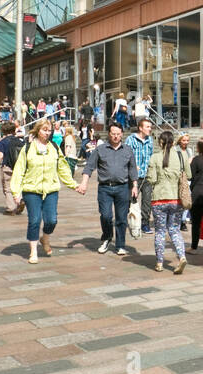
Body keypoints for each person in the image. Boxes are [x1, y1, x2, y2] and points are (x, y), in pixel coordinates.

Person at [10, 118, 78, 263]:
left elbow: (62, 167)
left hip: (51, 189)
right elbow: (19, 170)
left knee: (51, 220)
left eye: (49, 130)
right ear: (37, 130)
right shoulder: (27, 148)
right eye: (44, 130)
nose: (47, 133)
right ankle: (33, 252)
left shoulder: (54, 147)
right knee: (34, 220)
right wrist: (16, 192)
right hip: (31, 190)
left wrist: (73, 184)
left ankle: (45, 238)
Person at [79, 120, 139, 257]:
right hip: (105, 188)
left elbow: (132, 170)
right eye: (113, 134)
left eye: (118, 134)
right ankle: (107, 237)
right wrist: (84, 183)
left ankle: (120, 245)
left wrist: (134, 186)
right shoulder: (100, 149)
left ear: (122, 134)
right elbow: (89, 167)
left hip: (122, 188)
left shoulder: (128, 150)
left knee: (121, 218)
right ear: (109, 134)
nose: (116, 136)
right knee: (106, 216)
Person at [146, 130, 190, 274]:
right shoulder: (181, 155)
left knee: (160, 231)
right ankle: (182, 256)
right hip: (176, 199)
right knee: (174, 229)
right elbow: (188, 174)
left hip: (159, 199)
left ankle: (159, 262)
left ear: (160, 142)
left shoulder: (154, 158)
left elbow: (151, 179)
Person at [126, 117, 155, 234]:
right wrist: (132, 166)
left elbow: (151, 156)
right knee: (132, 200)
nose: (150, 129)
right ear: (140, 128)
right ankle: (131, 221)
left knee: (147, 201)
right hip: (134, 177)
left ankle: (145, 224)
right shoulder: (131, 139)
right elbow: (125, 155)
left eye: (150, 127)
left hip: (147, 176)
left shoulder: (150, 140)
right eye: (147, 127)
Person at [188, 138, 203, 251]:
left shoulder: (197, 160)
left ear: (199, 147)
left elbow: (190, 175)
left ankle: (194, 246)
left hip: (197, 193)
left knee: (196, 222)